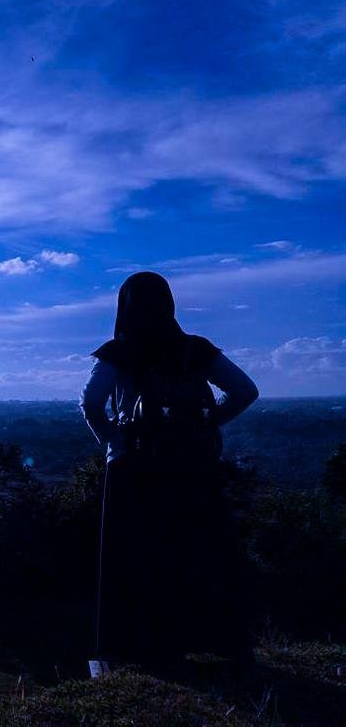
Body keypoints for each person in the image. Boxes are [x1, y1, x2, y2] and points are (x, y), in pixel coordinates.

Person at [80, 271, 259, 670]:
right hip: (193, 466)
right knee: (199, 551)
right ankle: (219, 640)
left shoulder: (119, 352)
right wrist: (207, 423)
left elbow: (91, 403)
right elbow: (245, 390)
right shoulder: (196, 350)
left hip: (135, 467)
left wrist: (113, 441)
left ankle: (143, 647)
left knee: (138, 556)